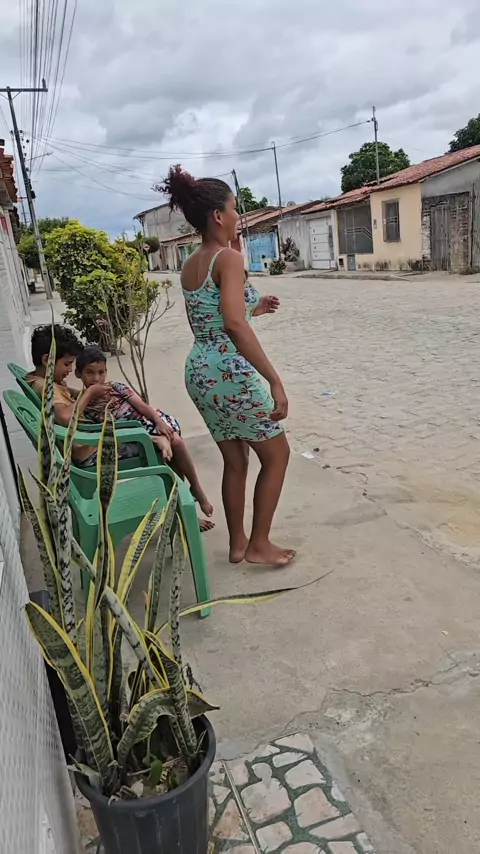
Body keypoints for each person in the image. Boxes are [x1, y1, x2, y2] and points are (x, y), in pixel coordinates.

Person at [160, 165, 295, 567]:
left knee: (235, 462)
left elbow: (214, 316)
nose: (238, 216)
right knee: (277, 455)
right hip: (230, 372)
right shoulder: (229, 259)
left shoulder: (191, 263)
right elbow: (233, 325)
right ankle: (259, 544)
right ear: (218, 215)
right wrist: (274, 380)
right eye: (235, 209)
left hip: (200, 370)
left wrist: (256, 306)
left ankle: (238, 545)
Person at [75, 346, 213, 531]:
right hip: (132, 435)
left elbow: (142, 406)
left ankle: (190, 495)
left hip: (147, 422)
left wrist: (159, 423)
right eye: (90, 373)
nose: (97, 378)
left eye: (101, 372)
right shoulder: (84, 403)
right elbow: (103, 430)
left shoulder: (115, 387)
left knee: (173, 446)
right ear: (78, 374)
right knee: (175, 450)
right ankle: (191, 496)